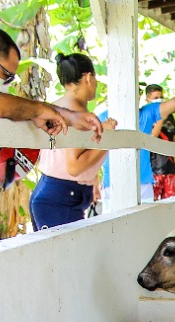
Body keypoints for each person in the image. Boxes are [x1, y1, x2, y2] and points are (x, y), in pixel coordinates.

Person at [0, 26, 103, 247]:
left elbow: (7, 107)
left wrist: (65, 116)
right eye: (6, 75)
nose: (8, 84)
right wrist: (42, 111)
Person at [29, 52, 118, 229]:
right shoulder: (75, 113)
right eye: (95, 78)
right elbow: (74, 166)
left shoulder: (60, 107)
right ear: (88, 78)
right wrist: (107, 137)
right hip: (61, 198)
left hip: (54, 192)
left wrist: (92, 179)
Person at [150, 111, 175, 200]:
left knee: (172, 205)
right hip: (152, 171)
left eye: (160, 96)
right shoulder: (147, 115)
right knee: (151, 204)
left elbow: (174, 142)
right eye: (155, 97)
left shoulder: (169, 116)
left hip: (170, 170)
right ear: (148, 99)